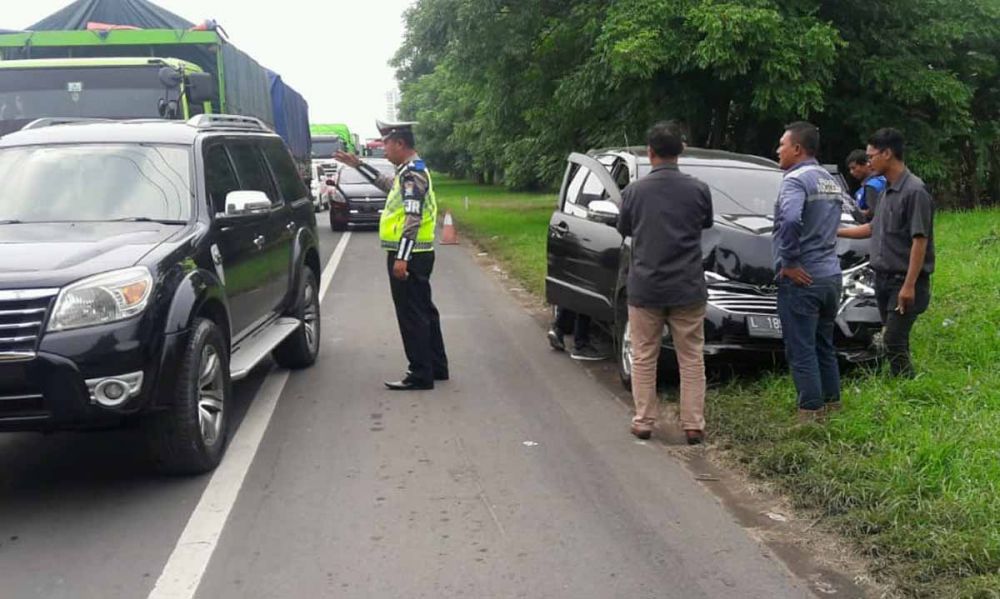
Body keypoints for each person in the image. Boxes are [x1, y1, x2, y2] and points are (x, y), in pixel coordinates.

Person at [617, 121, 713, 444]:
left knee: (644, 355)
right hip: (687, 285)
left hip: (646, 286)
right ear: (681, 151)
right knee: (691, 356)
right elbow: (706, 223)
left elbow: (624, 229)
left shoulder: (634, 192)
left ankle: (644, 420)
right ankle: (693, 424)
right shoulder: (700, 189)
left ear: (650, 152)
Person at [334, 120, 448, 390]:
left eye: (385, 143)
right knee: (425, 311)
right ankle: (436, 366)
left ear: (399, 143)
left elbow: (413, 216)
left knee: (412, 316)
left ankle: (420, 374)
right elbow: (388, 185)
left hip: (409, 254)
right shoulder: (409, 170)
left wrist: (402, 258)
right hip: (418, 253)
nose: (383, 148)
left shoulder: (411, 174)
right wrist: (358, 164)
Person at [838, 128, 934, 377]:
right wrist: (836, 232)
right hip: (882, 279)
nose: (869, 162)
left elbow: (920, 241)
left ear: (887, 154)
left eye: (871, 156)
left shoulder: (915, 191)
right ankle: (900, 384)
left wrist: (909, 285)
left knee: (893, 340)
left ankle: (907, 390)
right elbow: (872, 227)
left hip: (904, 280)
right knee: (895, 339)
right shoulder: (885, 192)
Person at [773, 122, 845, 423]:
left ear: (798, 149)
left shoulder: (795, 181)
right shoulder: (830, 180)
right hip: (831, 275)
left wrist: (789, 262)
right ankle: (832, 405)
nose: (778, 150)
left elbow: (790, 219)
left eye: (782, 144)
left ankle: (810, 413)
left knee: (801, 348)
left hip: (804, 278)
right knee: (823, 344)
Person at [846, 149, 887, 222]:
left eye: (854, 168)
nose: (851, 172)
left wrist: (854, 212)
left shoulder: (871, 186)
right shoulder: (883, 179)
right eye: (850, 169)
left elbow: (874, 212)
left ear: (866, 164)